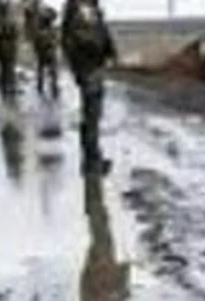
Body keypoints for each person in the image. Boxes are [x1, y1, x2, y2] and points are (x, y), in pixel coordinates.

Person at [61, 0, 117, 173]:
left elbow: (102, 31)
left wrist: (110, 51)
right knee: (91, 114)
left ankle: (93, 156)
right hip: (86, 67)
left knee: (95, 113)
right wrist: (94, 49)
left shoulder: (93, 8)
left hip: (96, 66)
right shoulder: (76, 9)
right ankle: (91, 161)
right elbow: (74, 40)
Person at [79, 172, 130, 301]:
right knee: (102, 226)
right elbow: (118, 295)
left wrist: (121, 280)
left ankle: (92, 181)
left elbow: (102, 294)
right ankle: (94, 184)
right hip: (102, 267)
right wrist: (123, 278)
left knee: (100, 225)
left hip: (101, 268)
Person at [0, 0, 20, 100]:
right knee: (6, 70)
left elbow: (15, 34)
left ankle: (9, 89)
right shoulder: (1, 21)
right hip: (4, 49)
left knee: (7, 70)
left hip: (7, 49)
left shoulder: (6, 21)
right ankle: (7, 89)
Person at [32, 5, 61, 101]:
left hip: (46, 52)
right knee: (49, 71)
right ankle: (49, 88)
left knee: (47, 71)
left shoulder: (46, 27)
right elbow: (38, 41)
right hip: (46, 52)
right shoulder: (43, 28)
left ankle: (48, 87)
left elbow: (54, 40)